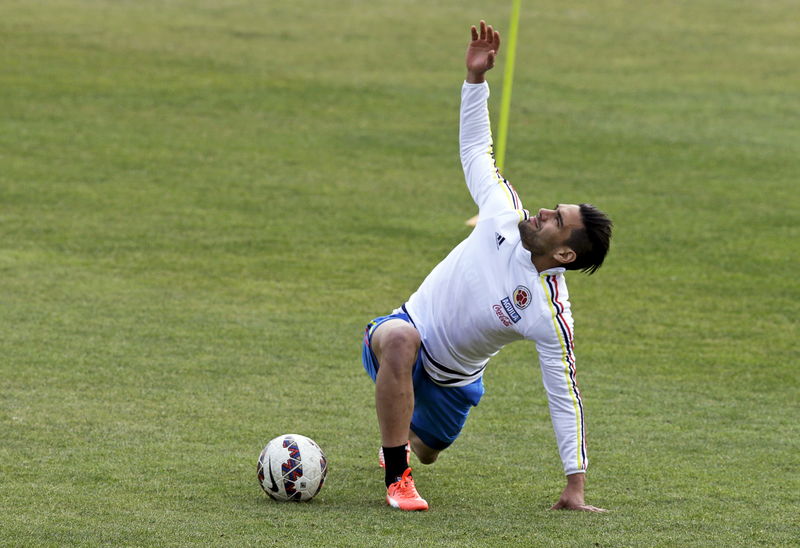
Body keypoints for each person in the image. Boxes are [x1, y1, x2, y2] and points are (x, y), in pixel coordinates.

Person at [361, 20, 612, 512]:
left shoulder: (547, 312)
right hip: (405, 329)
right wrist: (475, 80)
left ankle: (407, 443)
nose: (542, 211)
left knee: (428, 449)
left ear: (564, 255)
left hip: (456, 382)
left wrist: (574, 485)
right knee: (398, 341)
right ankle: (398, 479)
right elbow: (477, 150)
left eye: (556, 219)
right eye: (551, 207)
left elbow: (565, 393)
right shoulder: (503, 211)